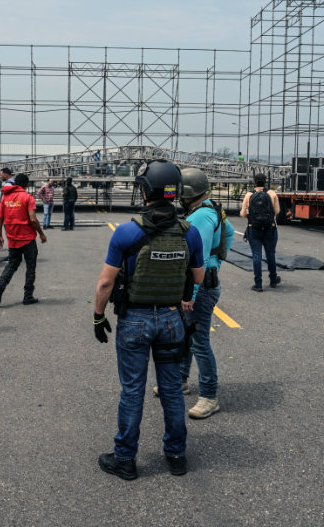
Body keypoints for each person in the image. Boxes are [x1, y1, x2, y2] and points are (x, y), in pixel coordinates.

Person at [92, 159, 205, 480]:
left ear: (145, 191)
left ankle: (125, 459)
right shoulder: (190, 233)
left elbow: (105, 283)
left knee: (132, 391)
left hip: (134, 321)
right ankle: (176, 454)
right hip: (171, 320)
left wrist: (98, 316)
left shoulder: (128, 232)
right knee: (170, 389)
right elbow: (197, 278)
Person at [172, 167, 235, 419]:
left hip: (199, 287)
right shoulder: (212, 208)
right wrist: (217, 262)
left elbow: (195, 260)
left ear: (187, 193)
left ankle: (209, 396)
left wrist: (191, 293)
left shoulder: (199, 218)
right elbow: (228, 234)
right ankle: (181, 381)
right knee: (187, 335)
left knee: (199, 342)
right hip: (207, 281)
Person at [0, 173, 46, 305]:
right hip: (27, 238)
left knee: (12, 264)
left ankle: (0, 286)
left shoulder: (5, 197)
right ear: (27, 185)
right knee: (30, 266)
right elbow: (33, 219)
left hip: (12, 238)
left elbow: (0, 219)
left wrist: (0, 235)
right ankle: (28, 295)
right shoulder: (28, 197)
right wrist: (41, 233)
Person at [240, 173, 281, 292]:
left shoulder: (249, 195)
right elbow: (277, 211)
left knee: (257, 256)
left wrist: (252, 218)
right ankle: (273, 279)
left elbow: (243, 213)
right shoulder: (272, 194)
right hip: (270, 229)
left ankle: (258, 284)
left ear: (254, 182)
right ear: (265, 181)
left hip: (254, 229)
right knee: (270, 254)